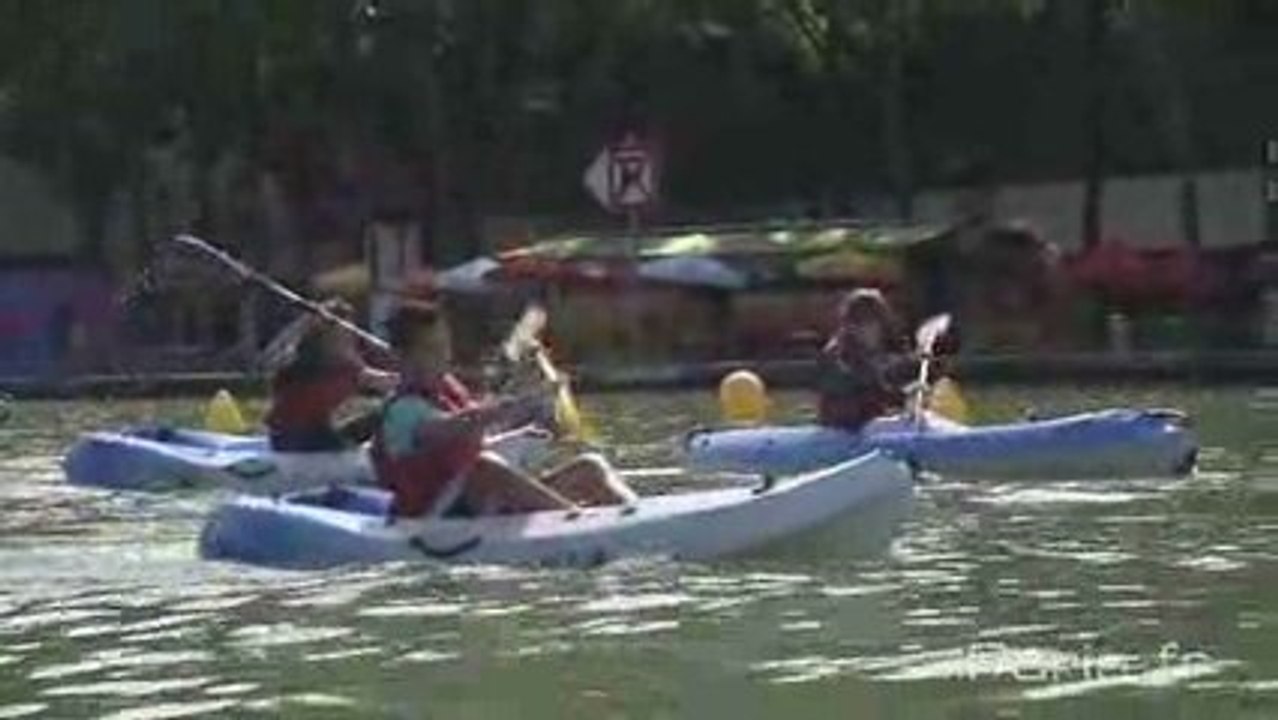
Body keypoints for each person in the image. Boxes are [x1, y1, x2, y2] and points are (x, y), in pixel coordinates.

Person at [372, 298, 637, 519]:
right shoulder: (403, 410)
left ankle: (634, 513)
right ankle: (573, 517)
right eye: (430, 351)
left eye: (444, 348)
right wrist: (499, 410)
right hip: (436, 518)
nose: (442, 358)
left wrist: (518, 434)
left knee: (590, 466)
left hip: (482, 504)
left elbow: (468, 442)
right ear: (402, 358)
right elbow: (446, 428)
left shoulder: (446, 393)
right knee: (483, 467)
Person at [264, 298, 398, 452]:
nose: (351, 336)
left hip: (295, 435)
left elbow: (386, 380)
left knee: (381, 411)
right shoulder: (321, 363)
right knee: (384, 412)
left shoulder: (344, 363)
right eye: (346, 332)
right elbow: (384, 381)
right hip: (301, 439)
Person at [816, 289, 923, 431]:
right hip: (844, 426)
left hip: (878, 425)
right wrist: (887, 380)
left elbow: (902, 377)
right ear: (850, 326)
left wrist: (911, 387)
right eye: (859, 323)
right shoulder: (838, 354)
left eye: (872, 323)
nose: (866, 329)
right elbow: (857, 386)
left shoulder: (889, 348)